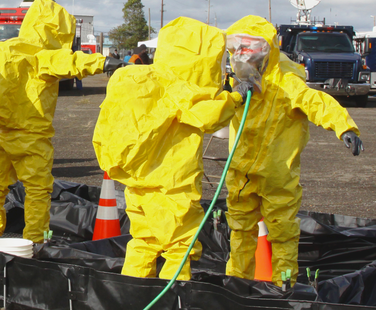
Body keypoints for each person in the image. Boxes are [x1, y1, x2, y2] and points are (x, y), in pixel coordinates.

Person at [93, 17, 251, 281]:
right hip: (173, 184)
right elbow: (212, 116)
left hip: (138, 181)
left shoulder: (133, 77)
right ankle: (173, 305)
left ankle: (131, 297)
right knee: (180, 247)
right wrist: (237, 96)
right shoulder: (181, 89)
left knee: (143, 240)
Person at [224, 15, 363, 287]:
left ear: (267, 50)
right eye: (237, 49)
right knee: (240, 233)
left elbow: (316, 101)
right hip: (240, 174)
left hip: (277, 176)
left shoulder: (286, 82)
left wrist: (345, 127)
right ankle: (236, 285)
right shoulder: (235, 85)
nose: (242, 56)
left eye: (250, 48)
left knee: (283, 235)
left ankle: (284, 287)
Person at [0, 0, 118, 243]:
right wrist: (104, 62)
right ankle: (34, 240)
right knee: (37, 189)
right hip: (30, 136)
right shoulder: (42, 56)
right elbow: (73, 61)